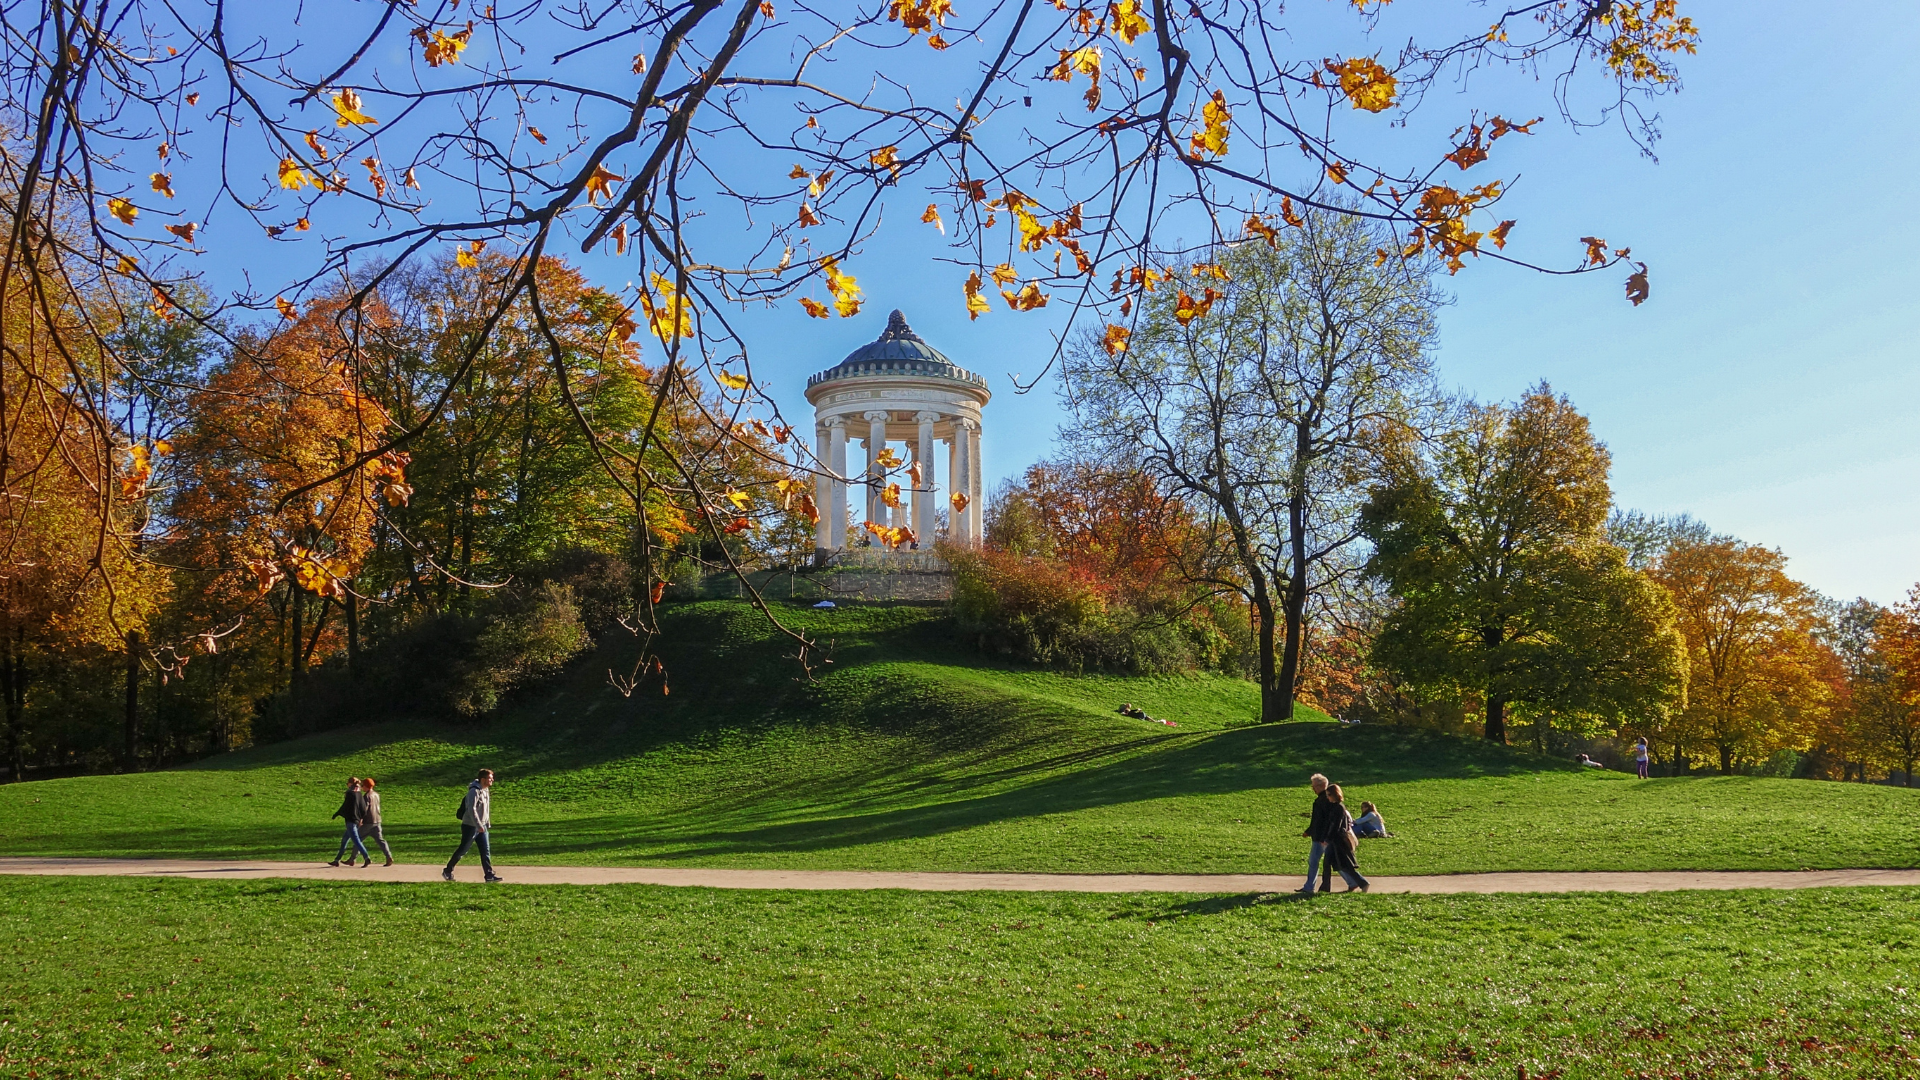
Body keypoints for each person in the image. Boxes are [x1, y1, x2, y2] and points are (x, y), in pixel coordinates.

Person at [444, 769, 502, 883]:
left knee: (485, 851)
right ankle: (447, 870)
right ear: (483, 779)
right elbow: (472, 809)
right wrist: (478, 825)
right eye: (490, 778)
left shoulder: (486, 790)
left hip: (482, 826)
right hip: (470, 826)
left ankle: (489, 875)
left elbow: (485, 809)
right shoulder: (474, 791)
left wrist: (486, 823)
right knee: (463, 850)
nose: (492, 780)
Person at [1321, 784, 1369, 893]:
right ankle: (1325, 888)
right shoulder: (1335, 807)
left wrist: (1327, 839)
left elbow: (1336, 826)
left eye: (1329, 795)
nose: (1327, 797)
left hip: (1338, 841)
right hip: (1335, 840)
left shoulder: (1338, 808)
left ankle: (1362, 882)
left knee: (1344, 865)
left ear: (1335, 795)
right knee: (1331, 863)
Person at [1296, 773, 1337, 895]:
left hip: (1321, 837)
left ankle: (1309, 887)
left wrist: (1313, 832)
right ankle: (1354, 882)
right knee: (1326, 861)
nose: (1312, 788)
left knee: (1316, 861)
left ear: (1321, 786)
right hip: (1320, 836)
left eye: (1314, 786)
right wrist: (1309, 831)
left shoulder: (1323, 801)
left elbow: (1320, 821)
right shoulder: (1324, 799)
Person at [328, 778, 371, 868]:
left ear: (350, 784)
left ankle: (367, 858)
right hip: (357, 820)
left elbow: (345, 806)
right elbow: (363, 808)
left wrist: (337, 814)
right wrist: (361, 818)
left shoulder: (350, 793)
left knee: (356, 841)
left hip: (350, 821)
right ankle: (336, 860)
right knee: (344, 840)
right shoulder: (359, 794)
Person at [361, 776, 394, 867]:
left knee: (358, 840)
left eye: (362, 785)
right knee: (380, 840)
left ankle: (353, 858)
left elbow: (365, 809)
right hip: (377, 820)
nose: (361, 787)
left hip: (368, 821)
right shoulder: (376, 794)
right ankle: (388, 856)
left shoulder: (366, 796)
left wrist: (361, 819)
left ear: (366, 786)